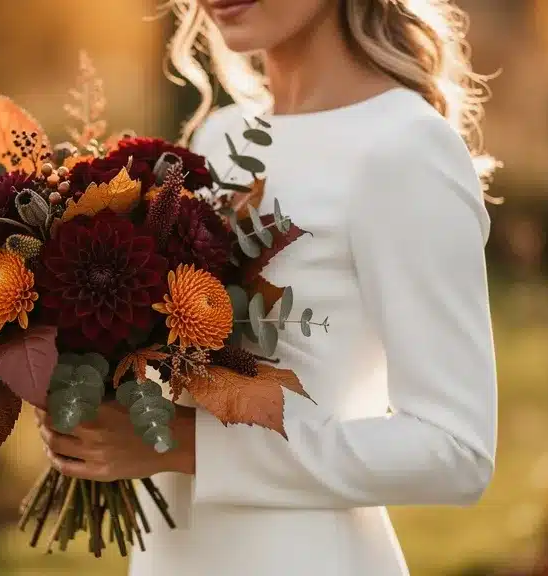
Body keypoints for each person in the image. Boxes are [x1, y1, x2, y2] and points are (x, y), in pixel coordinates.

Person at [35, 0, 499, 574]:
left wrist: (185, 444)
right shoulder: (225, 133)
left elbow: (454, 453)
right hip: (174, 552)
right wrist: (89, 377)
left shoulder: (404, 147)